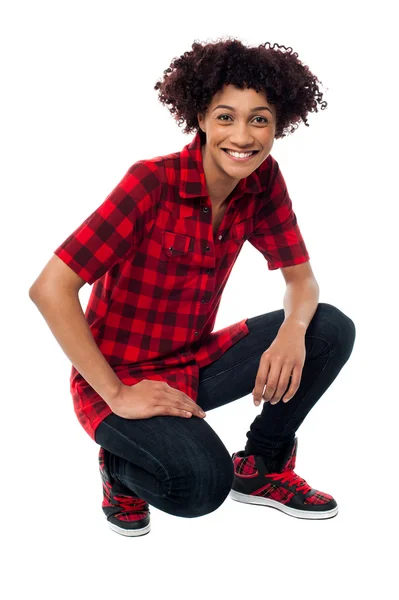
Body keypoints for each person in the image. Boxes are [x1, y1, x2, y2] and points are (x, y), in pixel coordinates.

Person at [29, 37, 356, 537]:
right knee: (201, 485)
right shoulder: (152, 183)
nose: (243, 136)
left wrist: (293, 328)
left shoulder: (262, 181)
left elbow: (302, 280)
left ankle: (264, 464)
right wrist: (117, 392)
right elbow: (50, 288)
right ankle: (119, 471)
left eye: (259, 119)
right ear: (200, 117)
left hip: (193, 362)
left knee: (327, 327)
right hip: (119, 379)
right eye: (226, 117)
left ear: (279, 125)